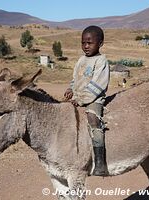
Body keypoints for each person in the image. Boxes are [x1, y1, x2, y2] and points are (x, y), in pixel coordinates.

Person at [64, 25, 110, 176]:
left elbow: (97, 86)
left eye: (90, 43)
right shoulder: (81, 60)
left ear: (100, 43)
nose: (86, 46)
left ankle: (100, 162)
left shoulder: (101, 61)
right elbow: (75, 79)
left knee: (93, 121)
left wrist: (82, 99)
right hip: (78, 98)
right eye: (83, 43)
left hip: (93, 99)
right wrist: (71, 89)